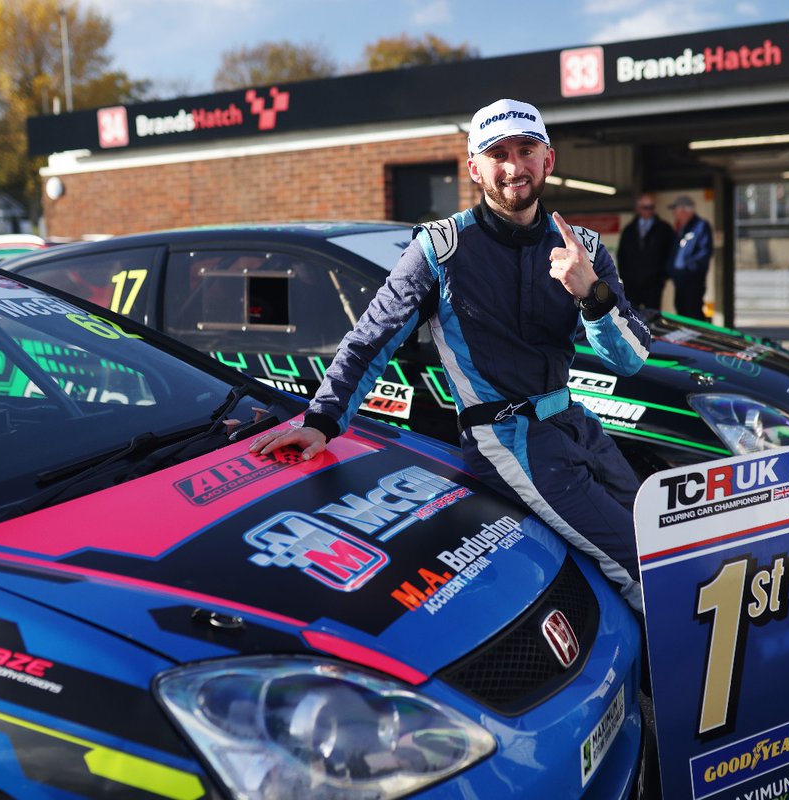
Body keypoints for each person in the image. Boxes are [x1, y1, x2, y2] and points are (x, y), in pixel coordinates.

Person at [251, 98, 653, 610]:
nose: (513, 167)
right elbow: (372, 337)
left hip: (575, 422)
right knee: (642, 564)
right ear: (474, 168)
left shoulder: (585, 249)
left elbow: (631, 359)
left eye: (526, 150)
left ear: (547, 160)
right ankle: (674, 689)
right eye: (497, 153)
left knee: (666, 543)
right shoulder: (440, 247)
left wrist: (591, 293)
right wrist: (323, 418)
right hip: (505, 438)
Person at [617, 192, 675, 310]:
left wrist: (663, 276)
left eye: (651, 207)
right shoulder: (629, 230)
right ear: (638, 209)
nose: (648, 211)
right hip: (632, 284)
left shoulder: (664, 229)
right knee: (632, 317)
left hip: (654, 283)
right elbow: (622, 255)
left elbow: (671, 254)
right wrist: (625, 277)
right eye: (645, 207)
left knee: (652, 316)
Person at [666, 194, 713, 320]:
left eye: (675, 210)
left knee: (693, 313)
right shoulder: (682, 228)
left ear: (683, 210)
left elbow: (703, 253)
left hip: (693, 281)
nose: (674, 213)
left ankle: (697, 340)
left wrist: (687, 269)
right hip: (680, 282)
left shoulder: (700, 226)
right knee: (681, 310)